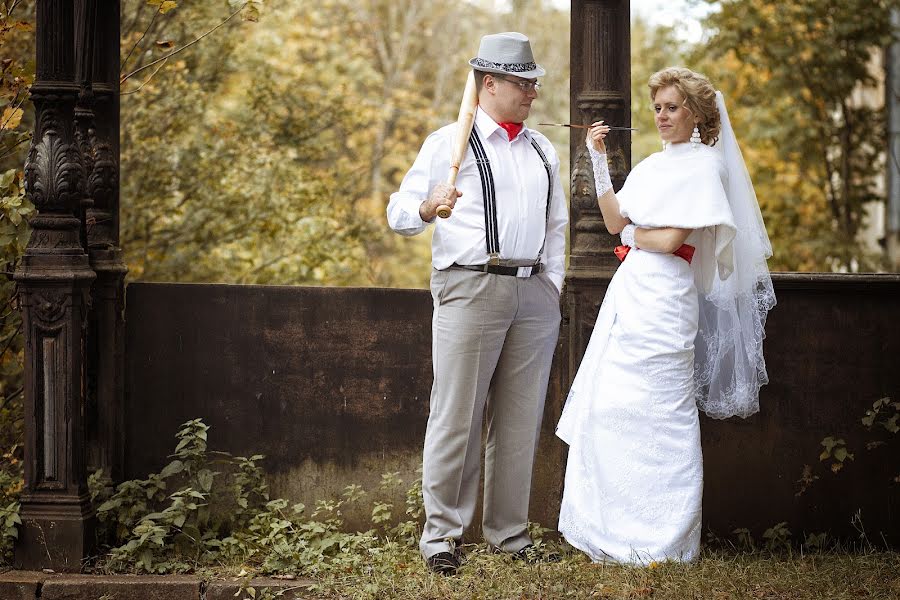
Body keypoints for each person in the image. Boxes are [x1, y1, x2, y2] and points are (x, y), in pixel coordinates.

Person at [556, 67, 775, 564]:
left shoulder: (704, 167)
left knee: (661, 411)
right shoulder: (654, 166)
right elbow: (614, 220)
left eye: (672, 107)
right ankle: (612, 530)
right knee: (614, 406)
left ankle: (666, 538)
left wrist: (634, 238)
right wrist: (598, 158)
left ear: (696, 113)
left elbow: (672, 239)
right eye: (657, 107)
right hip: (631, 292)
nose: (661, 116)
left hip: (668, 297)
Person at [387, 32, 567, 575]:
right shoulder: (448, 142)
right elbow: (398, 211)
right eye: (523, 82)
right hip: (470, 284)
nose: (533, 91)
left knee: (519, 418)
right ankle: (441, 535)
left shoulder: (543, 148)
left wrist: (551, 286)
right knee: (457, 414)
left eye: (534, 82)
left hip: (533, 292)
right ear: (490, 84)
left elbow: (555, 226)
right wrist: (426, 206)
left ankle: (509, 534)